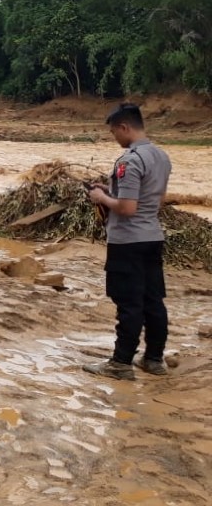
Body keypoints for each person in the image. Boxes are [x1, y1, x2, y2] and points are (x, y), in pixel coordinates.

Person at [84, 103, 172, 381]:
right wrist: (111, 191)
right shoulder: (161, 157)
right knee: (153, 301)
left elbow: (126, 208)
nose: (115, 138)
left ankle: (121, 363)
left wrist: (101, 198)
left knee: (129, 303)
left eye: (114, 132)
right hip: (152, 237)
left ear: (124, 127)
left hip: (127, 242)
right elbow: (154, 200)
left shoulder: (129, 161)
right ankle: (154, 359)